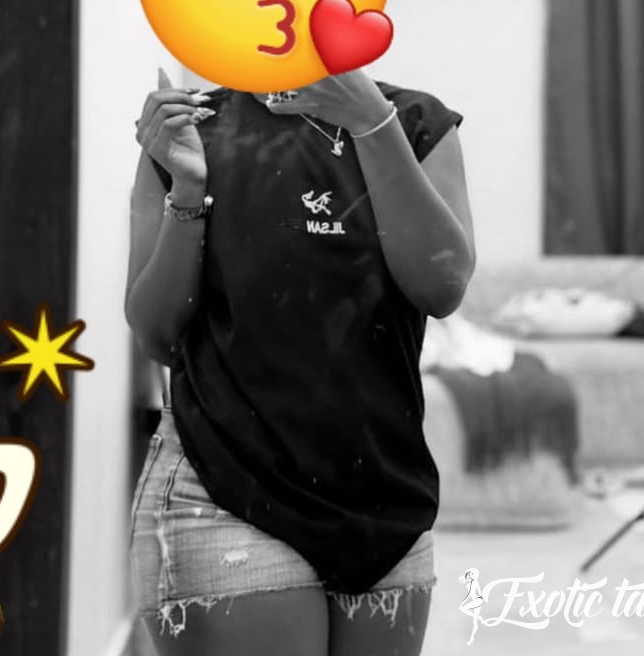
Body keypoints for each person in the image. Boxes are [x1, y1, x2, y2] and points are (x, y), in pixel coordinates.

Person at [127, 66, 475, 656]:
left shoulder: (416, 123)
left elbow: (441, 288)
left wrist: (373, 123)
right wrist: (187, 193)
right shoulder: (192, 128)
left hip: (382, 496)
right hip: (222, 485)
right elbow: (158, 334)